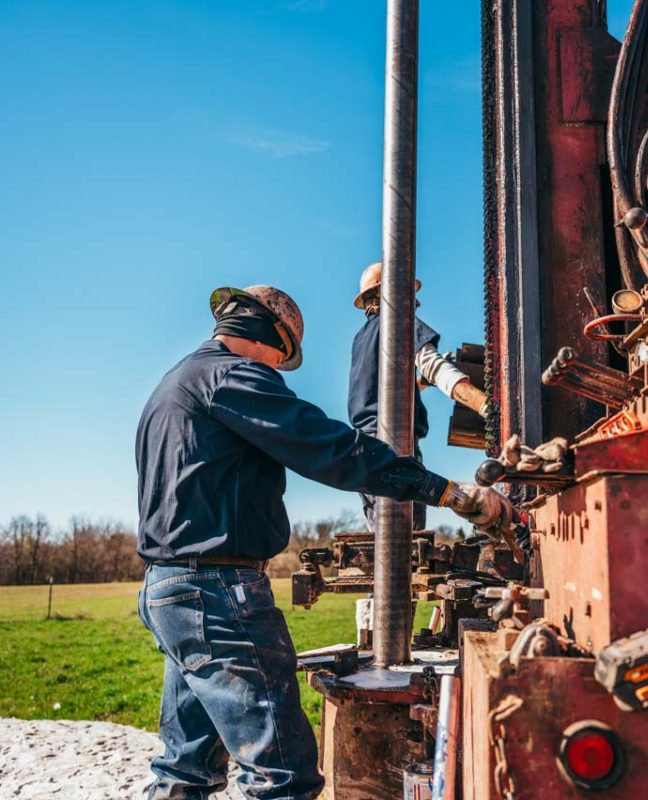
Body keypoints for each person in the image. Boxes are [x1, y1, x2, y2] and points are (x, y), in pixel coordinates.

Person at [135, 284, 513, 800]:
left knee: (186, 770)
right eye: (280, 355)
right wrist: (442, 489)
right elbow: (333, 450)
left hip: (171, 591)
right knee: (282, 777)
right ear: (266, 332)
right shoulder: (234, 377)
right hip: (218, 596)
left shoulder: (175, 382)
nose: (275, 367)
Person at [348, 262, 488, 531]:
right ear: (392, 293)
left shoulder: (361, 338)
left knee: (382, 541)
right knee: (405, 544)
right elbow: (437, 369)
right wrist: (486, 407)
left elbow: (381, 391)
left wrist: (420, 383)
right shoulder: (398, 323)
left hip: (364, 450)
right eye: (411, 294)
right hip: (394, 446)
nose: (418, 303)